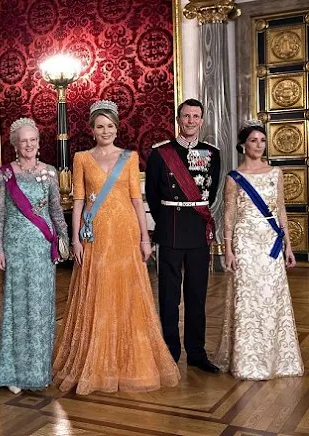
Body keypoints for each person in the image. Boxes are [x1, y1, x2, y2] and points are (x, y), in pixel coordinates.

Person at [53, 101, 180, 395]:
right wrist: (74, 240)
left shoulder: (130, 157)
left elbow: (138, 200)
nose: (105, 131)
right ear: (92, 129)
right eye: (100, 126)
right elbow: (79, 201)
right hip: (95, 234)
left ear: (116, 127)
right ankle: (95, 363)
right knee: (97, 292)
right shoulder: (82, 158)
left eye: (110, 126)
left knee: (127, 293)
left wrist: (145, 238)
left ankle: (128, 363)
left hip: (125, 233)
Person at [213, 121, 303, 380]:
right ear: (243, 145)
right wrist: (227, 249)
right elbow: (228, 214)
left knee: (271, 296)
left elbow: (281, 209)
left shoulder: (276, 173)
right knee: (248, 299)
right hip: (245, 242)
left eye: (262, 141)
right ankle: (247, 361)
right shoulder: (234, 177)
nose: (259, 145)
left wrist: (288, 245)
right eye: (253, 140)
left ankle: (277, 359)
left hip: (271, 243)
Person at [0, 118, 69, 395]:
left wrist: (64, 240)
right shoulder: (5, 174)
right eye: (23, 140)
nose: (28, 145)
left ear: (38, 142)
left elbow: (56, 211)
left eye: (33, 140)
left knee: (40, 310)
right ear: (15, 144)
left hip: (41, 249)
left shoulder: (49, 172)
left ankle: (38, 372)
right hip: (15, 249)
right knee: (16, 309)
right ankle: (12, 373)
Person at [145, 98, 221, 372]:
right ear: (178, 120)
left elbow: (210, 194)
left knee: (197, 294)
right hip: (171, 230)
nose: (190, 121)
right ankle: (170, 352)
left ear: (202, 120)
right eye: (186, 116)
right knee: (168, 295)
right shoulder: (160, 153)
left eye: (195, 116)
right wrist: (165, 220)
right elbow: (153, 195)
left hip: (198, 229)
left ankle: (197, 353)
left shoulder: (212, 153)